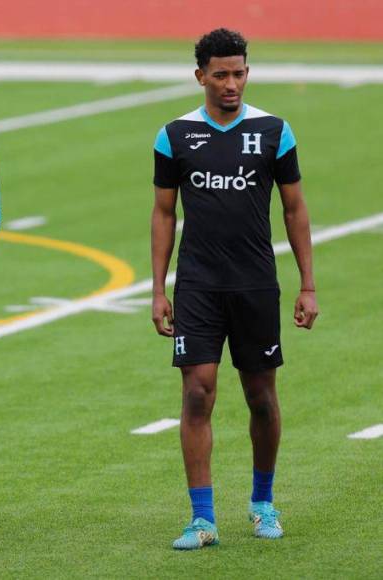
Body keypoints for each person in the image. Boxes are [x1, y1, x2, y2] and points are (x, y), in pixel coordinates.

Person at [150, 28, 318, 551]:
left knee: (261, 398)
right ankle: (202, 519)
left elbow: (294, 209)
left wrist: (307, 284)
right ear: (200, 75)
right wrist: (158, 289)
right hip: (198, 285)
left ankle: (263, 502)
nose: (231, 84)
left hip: (254, 285)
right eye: (220, 74)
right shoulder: (174, 135)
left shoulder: (274, 131)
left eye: (239, 73)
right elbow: (163, 212)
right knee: (197, 391)